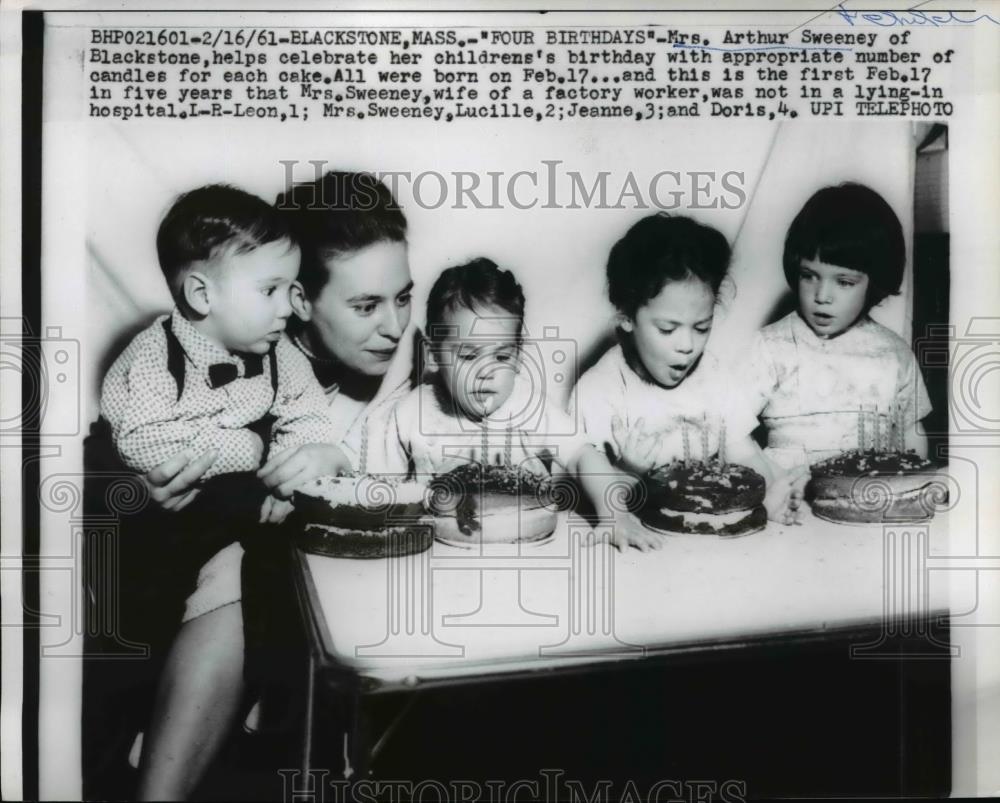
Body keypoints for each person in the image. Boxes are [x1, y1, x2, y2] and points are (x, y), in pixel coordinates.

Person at [83, 171, 418, 800]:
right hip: (212, 628)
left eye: (404, 296)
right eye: (366, 305)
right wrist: (138, 482)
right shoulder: (237, 362)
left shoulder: (418, 363)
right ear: (298, 302)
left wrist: (335, 458)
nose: (395, 325)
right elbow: (113, 451)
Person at [569, 213, 801, 545]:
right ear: (626, 318)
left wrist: (770, 493)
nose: (687, 346)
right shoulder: (601, 390)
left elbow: (745, 453)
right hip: (644, 548)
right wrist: (626, 472)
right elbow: (586, 472)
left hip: (715, 542)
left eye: (702, 327)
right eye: (668, 329)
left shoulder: (714, 376)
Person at [387, 257, 627, 532]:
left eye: (501, 356)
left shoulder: (528, 406)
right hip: (441, 549)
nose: (486, 372)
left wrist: (615, 514)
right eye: (468, 355)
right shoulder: (411, 413)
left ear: (518, 356)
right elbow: (382, 489)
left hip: (528, 542)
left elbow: (582, 455)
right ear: (433, 355)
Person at [747, 183, 932, 470]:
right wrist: (770, 483)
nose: (822, 296)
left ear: (876, 281)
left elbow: (912, 433)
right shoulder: (770, 347)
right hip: (789, 501)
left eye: (844, 282)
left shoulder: (894, 354)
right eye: (809, 276)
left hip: (867, 496)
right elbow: (732, 430)